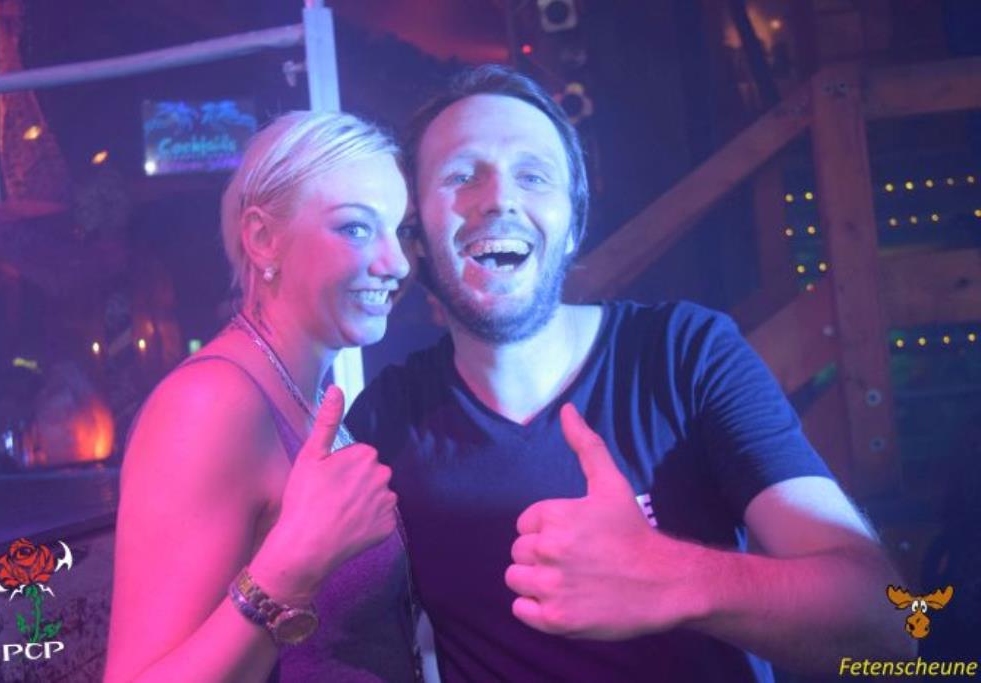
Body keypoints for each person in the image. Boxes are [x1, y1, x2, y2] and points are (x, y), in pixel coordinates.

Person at [347, 65, 914, 682]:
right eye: (461, 175)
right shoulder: (385, 421)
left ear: (572, 227)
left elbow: (888, 629)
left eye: (533, 176)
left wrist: (671, 577)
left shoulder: (683, 354)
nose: (500, 198)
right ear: (416, 236)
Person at [105, 111, 420, 682]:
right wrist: (294, 565)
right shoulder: (208, 405)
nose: (395, 263)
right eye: (356, 228)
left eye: (400, 231)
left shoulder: (306, 394)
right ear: (263, 239)